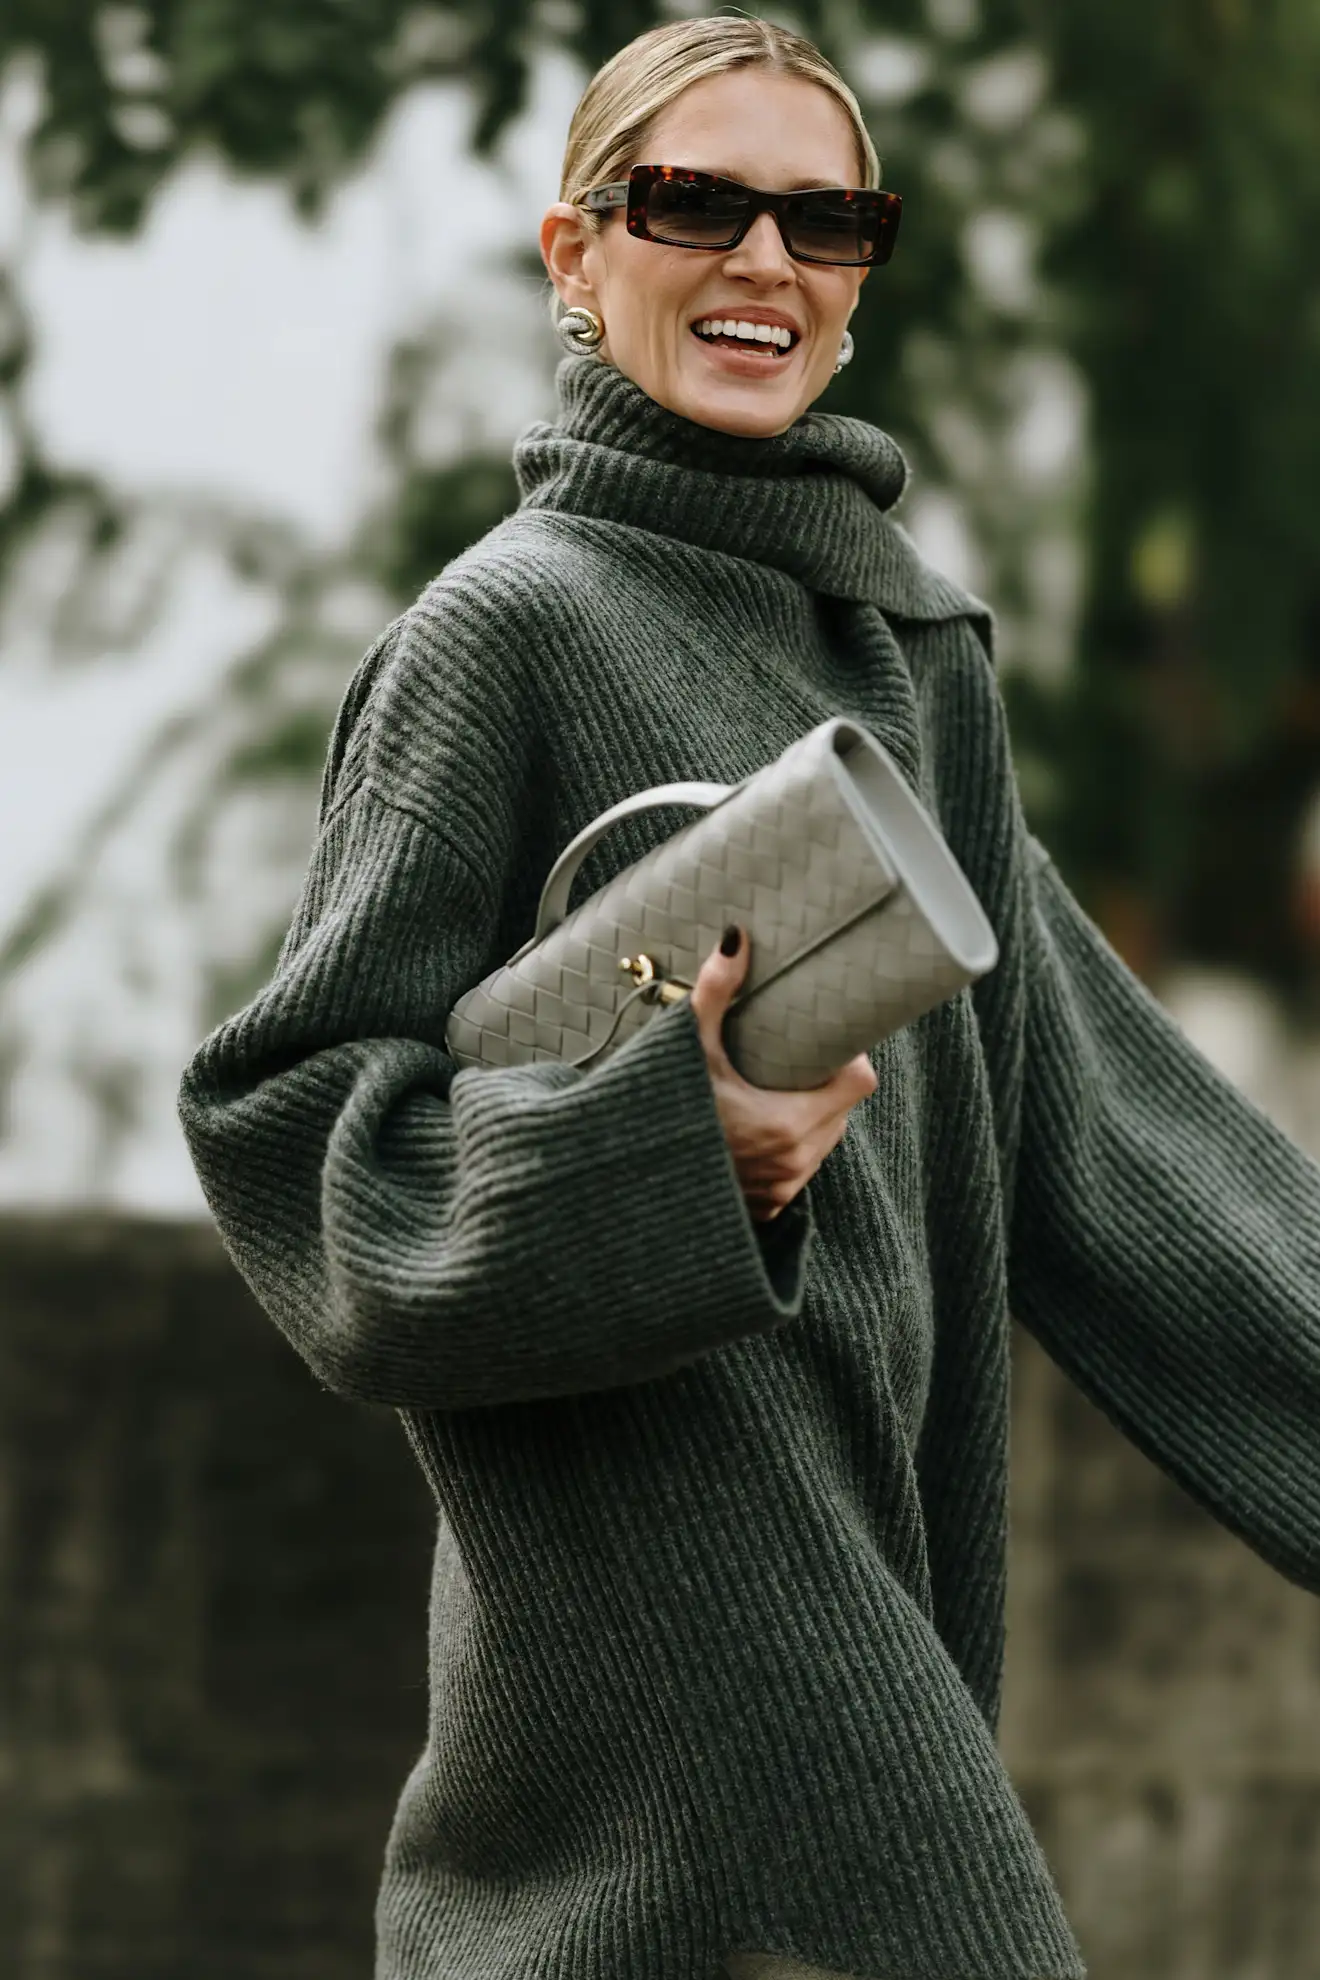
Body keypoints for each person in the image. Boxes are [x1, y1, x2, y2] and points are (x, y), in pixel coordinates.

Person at [176, 15, 1320, 1980]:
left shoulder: (913, 653)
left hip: (888, 1569)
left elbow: (1116, 1147)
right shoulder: (502, 635)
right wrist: (664, 1153)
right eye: (696, 202)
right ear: (576, 253)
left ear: (865, 279)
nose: (765, 262)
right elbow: (301, 1144)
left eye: (827, 219)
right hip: (646, 1584)